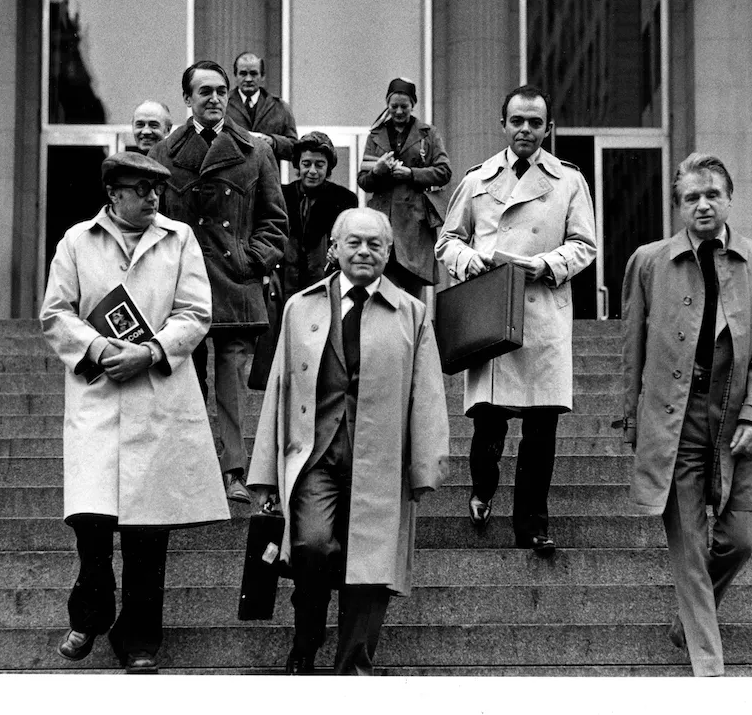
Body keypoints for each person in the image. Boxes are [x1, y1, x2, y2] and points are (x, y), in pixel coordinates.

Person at [40, 151, 230, 674]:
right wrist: (101, 350)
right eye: (140, 189)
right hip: (98, 394)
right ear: (113, 193)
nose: (151, 198)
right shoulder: (77, 241)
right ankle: (91, 611)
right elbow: (55, 312)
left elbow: (195, 313)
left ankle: (141, 637)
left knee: (149, 531)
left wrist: (149, 352)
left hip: (155, 395)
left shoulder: (179, 238)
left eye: (156, 190)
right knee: (92, 522)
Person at [247, 207, 449, 675]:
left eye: (375, 244)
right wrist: (263, 473)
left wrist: (425, 466)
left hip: (380, 457)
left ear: (389, 251)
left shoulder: (412, 314)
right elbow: (278, 390)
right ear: (333, 249)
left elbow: (428, 395)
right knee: (312, 545)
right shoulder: (302, 306)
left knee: (371, 567)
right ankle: (308, 633)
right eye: (353, 242)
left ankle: (352, 668)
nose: (364, 251)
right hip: (314, 452)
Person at [619, 152, 752, 677]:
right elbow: (632, 347)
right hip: (676, 418)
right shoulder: (648, 262)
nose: (703, 205)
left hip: (736, 417)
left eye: (712, 194)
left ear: (729, 199)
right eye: (691, 197)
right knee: (689, 549)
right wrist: (632, 418)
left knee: (741, 539)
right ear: (678, 206)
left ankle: (688, 625)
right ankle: (710, 676)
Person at [435, 84, 596, 554]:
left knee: (542, 427)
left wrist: (546, 264)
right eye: (517, 121)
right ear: (502, 124)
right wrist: (474, 262)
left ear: (548, 128)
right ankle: (483, 488)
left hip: (543, 312)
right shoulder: (477, 179)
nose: (525, 130)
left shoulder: (569, 181)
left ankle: (532, 525)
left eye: (535, 122)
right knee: (489, 424)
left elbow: (585, 244)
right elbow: (448, 241)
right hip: (491, 308)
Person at [149, 60, 288, 505]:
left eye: (220, 91)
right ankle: (192, 467)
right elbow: (150, 223)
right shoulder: (164, 156)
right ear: (187, 99)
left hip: (234, 284)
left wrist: (252, 259)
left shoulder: (255, 151)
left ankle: (234, 470)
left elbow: (275, 221)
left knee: (231, 382)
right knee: (185, 381)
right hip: (181, 286)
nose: (214, 99)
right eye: (204, 92)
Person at [248, 131, 358, 390]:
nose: (312, 171)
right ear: (297, 165)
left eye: (319, 165)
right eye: (306, 163)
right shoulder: (280, 194)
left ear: (329, 167)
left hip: (322, 280)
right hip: (283, 281)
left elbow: (347, 239)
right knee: (279, 347)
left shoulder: (345, 199)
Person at [357, 76, 451, 301]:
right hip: (383, 222)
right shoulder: (376, 136)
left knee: (413, 294)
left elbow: (444, 171)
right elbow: (364, 180)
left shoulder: (428, 135)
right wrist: (378, 170)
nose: (398, 112)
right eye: (393, 106)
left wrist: (412, 174)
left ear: (413, 105)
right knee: (383, 289)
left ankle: (415, 334)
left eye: (404, 106)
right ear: (387, 105)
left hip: (414, 224)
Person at [226, 51, 299, 165]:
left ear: (262, 76)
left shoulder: (279, 107)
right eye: (243, 74)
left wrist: (272, 141)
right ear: (235, 76)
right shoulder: (223, 106)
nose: (248, 79)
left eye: (254, 74)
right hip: (234, 178)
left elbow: (295, 149)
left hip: (267, 177)